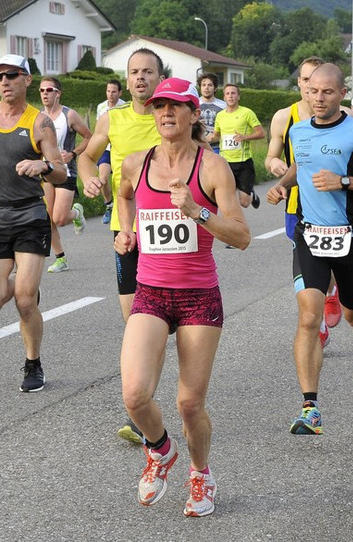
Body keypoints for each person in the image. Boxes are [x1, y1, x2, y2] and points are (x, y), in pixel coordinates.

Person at [115, 77, 250, 517]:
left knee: (189, 404)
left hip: (198, 297)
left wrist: (199, 211)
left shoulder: (212, 169)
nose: (166, 114)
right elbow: (123, 198)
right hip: (151, 292)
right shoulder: (136, 164)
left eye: (175, 107)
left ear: (195, 114)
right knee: (135, 395)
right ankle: (159, 450)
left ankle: (200, 472)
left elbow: (242, 235)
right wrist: (127, 229)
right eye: (159, 107)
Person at [265, 63, 353, 435]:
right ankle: (310, 407)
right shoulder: (299, 130)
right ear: (304, 92)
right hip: (309, 236)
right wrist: (283, 185)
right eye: (312, 91)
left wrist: (344, 181)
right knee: (308, 317)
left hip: (351, 239)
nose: (318, 98)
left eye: (327, 92)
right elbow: (300, 166)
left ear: (341, 94)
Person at [0, 54, 66, 392]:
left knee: (22, 299)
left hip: (29, 216)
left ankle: (33, 363)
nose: (4, 81)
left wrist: (43, 167)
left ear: (27, 80)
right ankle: (28, 285)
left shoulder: (39, 123)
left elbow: (61, 170)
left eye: (12, 75)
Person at [79, 48, 166, 443]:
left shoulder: (171, 114)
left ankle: (143, 407)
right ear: (126, 79)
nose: (141, 78)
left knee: (158, 324)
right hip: (125, 230)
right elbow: (86, 156)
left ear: (159, 78)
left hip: (167, 230)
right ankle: (143, 404)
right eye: (134, 72)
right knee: (135, 323)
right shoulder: (112, 118)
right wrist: (88, 179)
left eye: (148, 71)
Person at [265, 56, 342, 346]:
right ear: (299, 83)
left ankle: (331, 294)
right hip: (296, 203)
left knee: (330, 261)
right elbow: (271, 155)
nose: (313, 88)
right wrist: (276, 167)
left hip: (333, 203)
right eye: (307, 81)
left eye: (318, 81)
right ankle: (318, 320)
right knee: (307, 263)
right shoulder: (285, 117)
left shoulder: (345, 116)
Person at [39, 76, 93, 273]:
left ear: (58, 93)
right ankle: (60, 258)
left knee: (60, 218)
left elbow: (89, 137)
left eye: (49, 90)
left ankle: (76, 213)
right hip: (45, 172)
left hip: (65, 172)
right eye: (42, 90)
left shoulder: (69, 115)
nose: (45, 93)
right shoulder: (38, 118)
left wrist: (73, 154)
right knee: (47, 218)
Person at [210, 83, 264, 209]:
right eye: (227, 94)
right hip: (225, 162)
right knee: (225, 198)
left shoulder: (247, 113)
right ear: (224, 97)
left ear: (238, 96)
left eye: (233, 93)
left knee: (244, 203)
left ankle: (251, 194)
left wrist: (245, 137)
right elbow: (216, 135)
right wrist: (201, 139)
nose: (230, 96)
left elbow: (261, 133)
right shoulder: (220, 115)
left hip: (243, 162)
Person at [96, 79, 126, 224]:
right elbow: (98, 131)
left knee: (122, 182)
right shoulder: (101, 107)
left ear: (120, 93)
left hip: (121, 148)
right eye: (108, 91)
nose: (111, 94)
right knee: (103, 179)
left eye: (114, 91)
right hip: (106, 149)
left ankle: (123, 208)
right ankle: (109, 205)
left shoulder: (125, 107)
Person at [197, 73, 227, 155]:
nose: (206, 88)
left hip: (217, 148)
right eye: (203, 85)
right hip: (197, 147)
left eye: (210, 85)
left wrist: (216, 137)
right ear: (200, 88)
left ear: (215, 88)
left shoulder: (224, 106)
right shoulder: (194, 105)